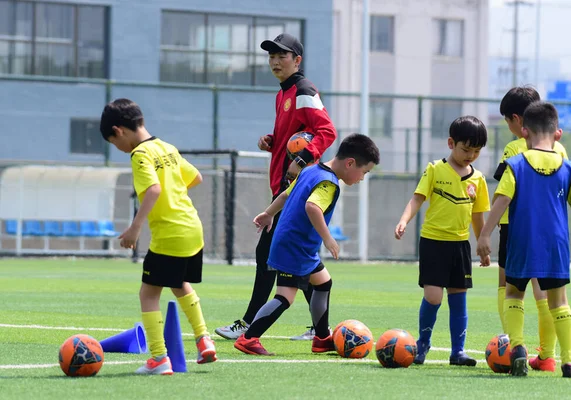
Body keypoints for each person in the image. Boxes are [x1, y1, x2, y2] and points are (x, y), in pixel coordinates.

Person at [215, 33, 337, 341]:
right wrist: (272, 142)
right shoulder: (283, 94)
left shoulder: (303, 90)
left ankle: (247, 323)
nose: (274, 61)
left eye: (281, 56)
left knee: (267, 254)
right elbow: (297, 135)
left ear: (297, 60)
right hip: (284, 185)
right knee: (300, 258)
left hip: (296, 187)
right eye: (271, 56)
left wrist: (304, 158)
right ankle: (319, 328)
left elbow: (326, 131)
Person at [476, 101, 571, 377]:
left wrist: (484, 235)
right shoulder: (568, 168)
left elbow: (501, 200)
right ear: (558, 133)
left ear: (525, 133)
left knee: (513, 293)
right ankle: (569, 362)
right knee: (559, 301)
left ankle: (517, 347)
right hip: (556, 244)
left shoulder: (515, 164)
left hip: (521, 241)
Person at [232, 133, 379, 355]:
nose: (362, 178)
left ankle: (321, 338)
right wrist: (328, 238)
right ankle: (249, 338)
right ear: (350, 163)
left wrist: (268, 214)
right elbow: (313, 207)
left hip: (294, 245)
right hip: (295, 247)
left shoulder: (311, 170)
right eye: (364, 172)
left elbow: (284, 195)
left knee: (323, 283)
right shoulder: (328, 183)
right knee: (284, 297)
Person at [100, 98, 217, 375]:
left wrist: (135, 228)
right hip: (192, 227)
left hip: (170, 233)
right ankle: (203, 339)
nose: (118, 148)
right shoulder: (166, 147)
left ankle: (158, 358)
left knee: (148, 294)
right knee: (180, 284)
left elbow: (152, 190)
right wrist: (174, 190)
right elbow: (196, 176)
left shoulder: (140, 154)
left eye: (113, 143)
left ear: (119, 131)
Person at [394, 116, 490, 366]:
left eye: (477, 151)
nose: (471, 155)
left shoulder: (478, 179)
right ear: (451, 143)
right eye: (466, 149)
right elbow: (417, 198)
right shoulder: (435, 169)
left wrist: (482, 244)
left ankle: (458, 351)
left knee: (459, 298)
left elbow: (477, 216)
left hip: (460, 246)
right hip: (433, 242)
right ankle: (422, 344)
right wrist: (404, 220)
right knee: (434, 297)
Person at [495, 86, 569, 372]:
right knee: (546, 293)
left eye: (507, 120)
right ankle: (548, 356)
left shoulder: (515, 147)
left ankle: (514, 347)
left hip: (515, 228)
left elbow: (504, 190)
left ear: (517, 120)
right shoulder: (559, 147)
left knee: (509, 287)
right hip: (550, 229)